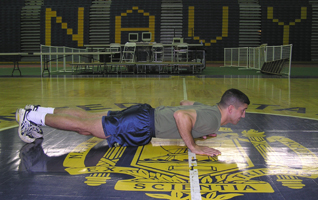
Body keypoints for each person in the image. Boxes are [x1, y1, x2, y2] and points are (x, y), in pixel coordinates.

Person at [16, 88, 250, 157]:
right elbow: (181, 116)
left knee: (87, 120)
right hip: (141, 125)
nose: (243, 116)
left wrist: (197, 130)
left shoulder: (210, 110)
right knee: (85, 128)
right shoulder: (213, 119)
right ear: (231, 108)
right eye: (242, 111)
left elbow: (185, 103)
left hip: (143, 114)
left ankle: (37, 111)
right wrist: (194, 146)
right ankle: (31, 118)